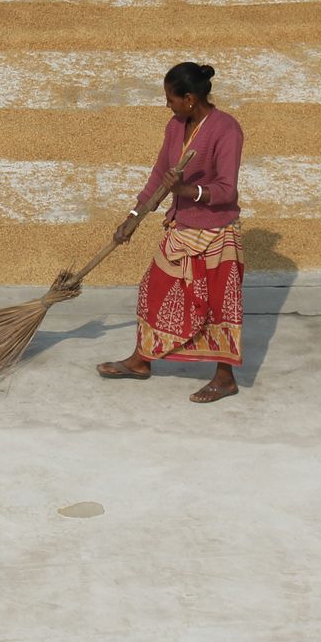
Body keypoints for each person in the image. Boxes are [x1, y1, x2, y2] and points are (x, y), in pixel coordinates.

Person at [95, 62, 245, 403]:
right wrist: (133, 217)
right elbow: (158, 176)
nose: (168, 105)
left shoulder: (227, 130)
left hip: (217, 234)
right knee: (153, 290)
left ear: (190, 98)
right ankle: (141, 360)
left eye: (170, 99)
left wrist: (186, 191)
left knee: (219, 307)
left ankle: (225, 378)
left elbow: (227, 191)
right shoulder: (175, 127)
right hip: (182, 229)